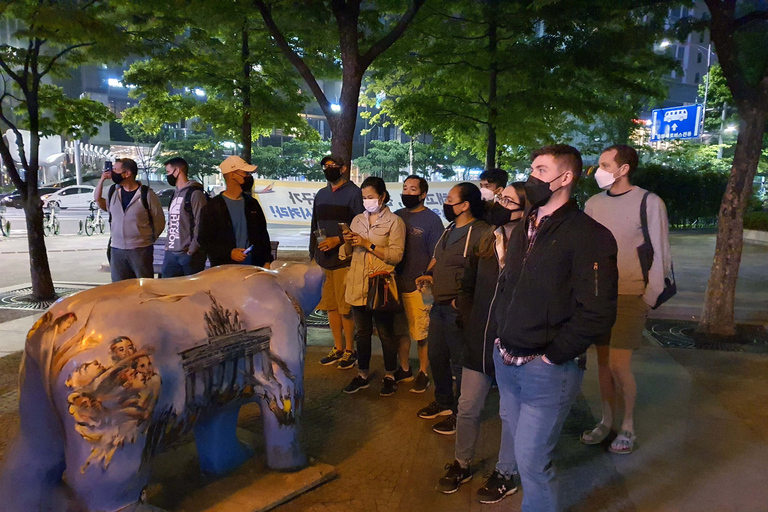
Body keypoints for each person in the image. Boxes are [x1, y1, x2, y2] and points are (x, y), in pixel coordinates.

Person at [490, 144, 618, 512]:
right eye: (531, 169)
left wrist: (553, 357)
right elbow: (510, 284)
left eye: (542, 171)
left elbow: (597, 311)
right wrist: (500, 335)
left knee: (532, 461)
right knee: (520, 450)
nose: (532, 178)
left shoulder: (589, 235)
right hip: (507, 357)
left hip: (546, 370)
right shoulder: (526, 225)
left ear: (566, 178)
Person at [438, 183, 527, 501]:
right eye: (500, 197)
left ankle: (506, 473)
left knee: (509, 413)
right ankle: (461, 463)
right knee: (467, 407)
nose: (500, 203)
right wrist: (465, 312)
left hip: (513, 349)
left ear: (524, 208)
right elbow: (469, 281)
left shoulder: (532, 244)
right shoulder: (489, 238)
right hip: (479, 339)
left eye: (508, 200)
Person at [581, 144, 671, 454]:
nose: (598, 171)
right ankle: (607, 421)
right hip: (597, 296)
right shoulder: (593, 203)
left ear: (624, 169)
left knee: (619, 366)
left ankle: (628, 425)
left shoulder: (649, 202)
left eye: (606, 165)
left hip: (630, 294)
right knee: (603, 365)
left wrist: (649, 296)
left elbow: (661, 252)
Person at [415, 183, 492, 435]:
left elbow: (484, 272)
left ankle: (461, 415)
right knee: (437, 356)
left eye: (450, 199)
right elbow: (438, 257)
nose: (446, 203)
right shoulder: (449, 230)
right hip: (438, 306)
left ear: (465, 205)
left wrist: (464, 302)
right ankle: (444, 402)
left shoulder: (481, 232)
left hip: (457, 310)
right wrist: (428, 274)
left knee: (460, 363)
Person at [339, 177, 406, 396]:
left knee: (386, 333)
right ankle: (363, 374)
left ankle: (390, 374)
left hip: (380, 285)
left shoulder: (395, 222)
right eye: (364, 197)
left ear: (383, 196)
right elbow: (347, 253)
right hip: (357, 284)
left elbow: (396, 256)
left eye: (371, 197)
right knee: (362, 333)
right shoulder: (357, 220)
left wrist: (368, 244)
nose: (367, 201)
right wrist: (347, 242)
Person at [310, 155, 364, 370]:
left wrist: (339, 240)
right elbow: (315, 224)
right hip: (324, 259)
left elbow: (360, 226)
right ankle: (338, 347)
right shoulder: (321, 194)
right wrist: (314, 252)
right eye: (325, 166)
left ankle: (351, 349)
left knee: (345, 308)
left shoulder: (354, 194)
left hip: (345, 259)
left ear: (343, 169)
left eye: (333, 166)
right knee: (330, 306)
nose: (328, 169)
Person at [393, 175, 444, 393]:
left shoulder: (432, 221)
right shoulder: (396, 217)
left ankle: (423, 371)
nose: (407, 193)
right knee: (400, 331)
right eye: (405, 188)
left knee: (422, 333)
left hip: (419, 287)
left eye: (413, 189)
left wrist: (426, 275)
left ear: (423, 194)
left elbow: (437, 254)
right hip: (396, 284)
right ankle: (404, 369)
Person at [94, 158, 165, 282]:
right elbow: (99, 200)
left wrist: (147, 238)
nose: (112, 172)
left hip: (140, 248)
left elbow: (159, 220)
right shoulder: (113, 192)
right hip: (117, 248)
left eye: (115, 170)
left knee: (143, 286)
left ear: (127, 173)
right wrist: (102, 180)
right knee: (119, 288)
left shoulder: (146, 194)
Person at [198, 156, 272, 268]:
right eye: (245, 173)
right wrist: (230, 252)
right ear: (232, 175)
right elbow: (205, 240)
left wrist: (266, 261)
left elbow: (263, 236)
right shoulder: (213, 207)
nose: (249, 177)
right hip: (225, 271)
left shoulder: (253, 204)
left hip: (253, 268)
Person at [161, 157, 208, 277]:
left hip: (188, 255)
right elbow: (172, 222)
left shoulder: (195, 194)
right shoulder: (174, 194)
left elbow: (201, 223)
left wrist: (192, 250)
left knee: (190, 293)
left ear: (177, 171)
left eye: (168, 171)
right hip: (172, 253)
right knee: (167, 291)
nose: (167, 175)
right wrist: (168, 246)